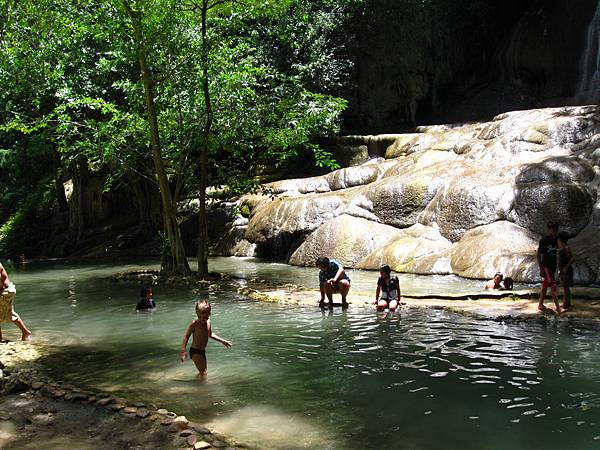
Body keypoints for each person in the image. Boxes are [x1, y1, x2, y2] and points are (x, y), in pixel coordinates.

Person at [180, 300, 232, 377]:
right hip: (195, 351)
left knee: (203, 372)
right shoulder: (195, 324)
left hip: (202, 351)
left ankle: (197, 383)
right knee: (203, 373)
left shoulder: (208, 322)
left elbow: (210, 334)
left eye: (205, 317)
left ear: (209, 314)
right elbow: (186, 336)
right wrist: (183, 350)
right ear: (196, 313)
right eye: (199, 316)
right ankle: (203, 388)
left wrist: (223, 341)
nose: (201, 319)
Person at [0, 262, 31, 341]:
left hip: (4, 291)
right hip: (8, 290)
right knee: (9, 312)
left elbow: (1, 280)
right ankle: (25, 332)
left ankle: (0, 339)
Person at [537, 222, 563, 314]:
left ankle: (540, 304)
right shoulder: (544, 240)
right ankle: (558, 308)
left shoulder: (555, 240)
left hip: (553, 266)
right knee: (553, 286)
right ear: (549, 230)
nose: (555, 232)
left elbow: (557, 252)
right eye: (553, 230)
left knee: (545, 286)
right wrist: (541, 268)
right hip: (547, 266)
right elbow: (539, 255)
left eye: (556, 230)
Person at [557, 231, 575, 311]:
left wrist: (565, 268)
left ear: (560, 239)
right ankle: (567, 303)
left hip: (567, 271)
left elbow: (572, 258)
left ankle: (565, 305)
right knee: (565, 287)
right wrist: (560, 270)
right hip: (563, 271)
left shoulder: (566, 248)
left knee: (565, 288)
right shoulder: (563, 248)